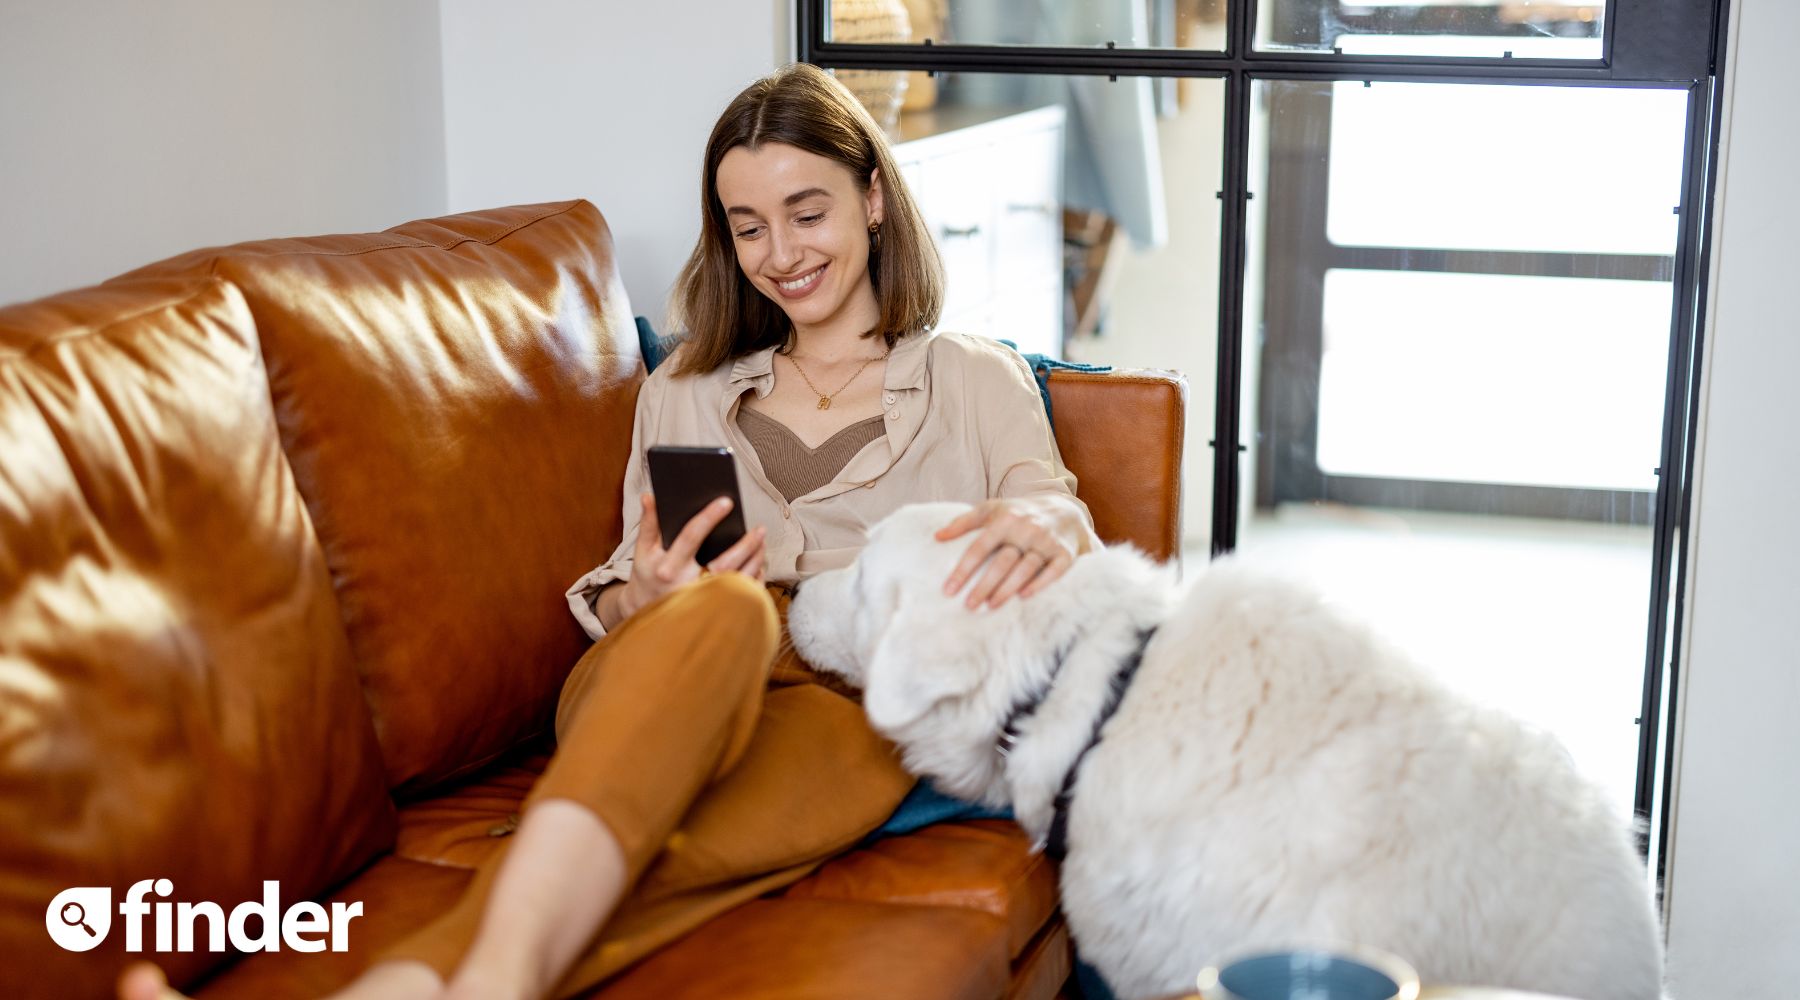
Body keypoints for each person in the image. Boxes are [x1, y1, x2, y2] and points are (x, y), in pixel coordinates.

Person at [118, 62, 1099, 1000]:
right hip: (664, 664)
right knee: (727, 611)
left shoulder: (972, 377)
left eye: (809, 212)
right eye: (749, 226)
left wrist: (1036, 516)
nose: (783, 254)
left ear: (873, 199)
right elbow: (629, 577)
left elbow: (1056, 510)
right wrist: (652, 595)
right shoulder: (684, 390)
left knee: (656, 858)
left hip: (844, 708)